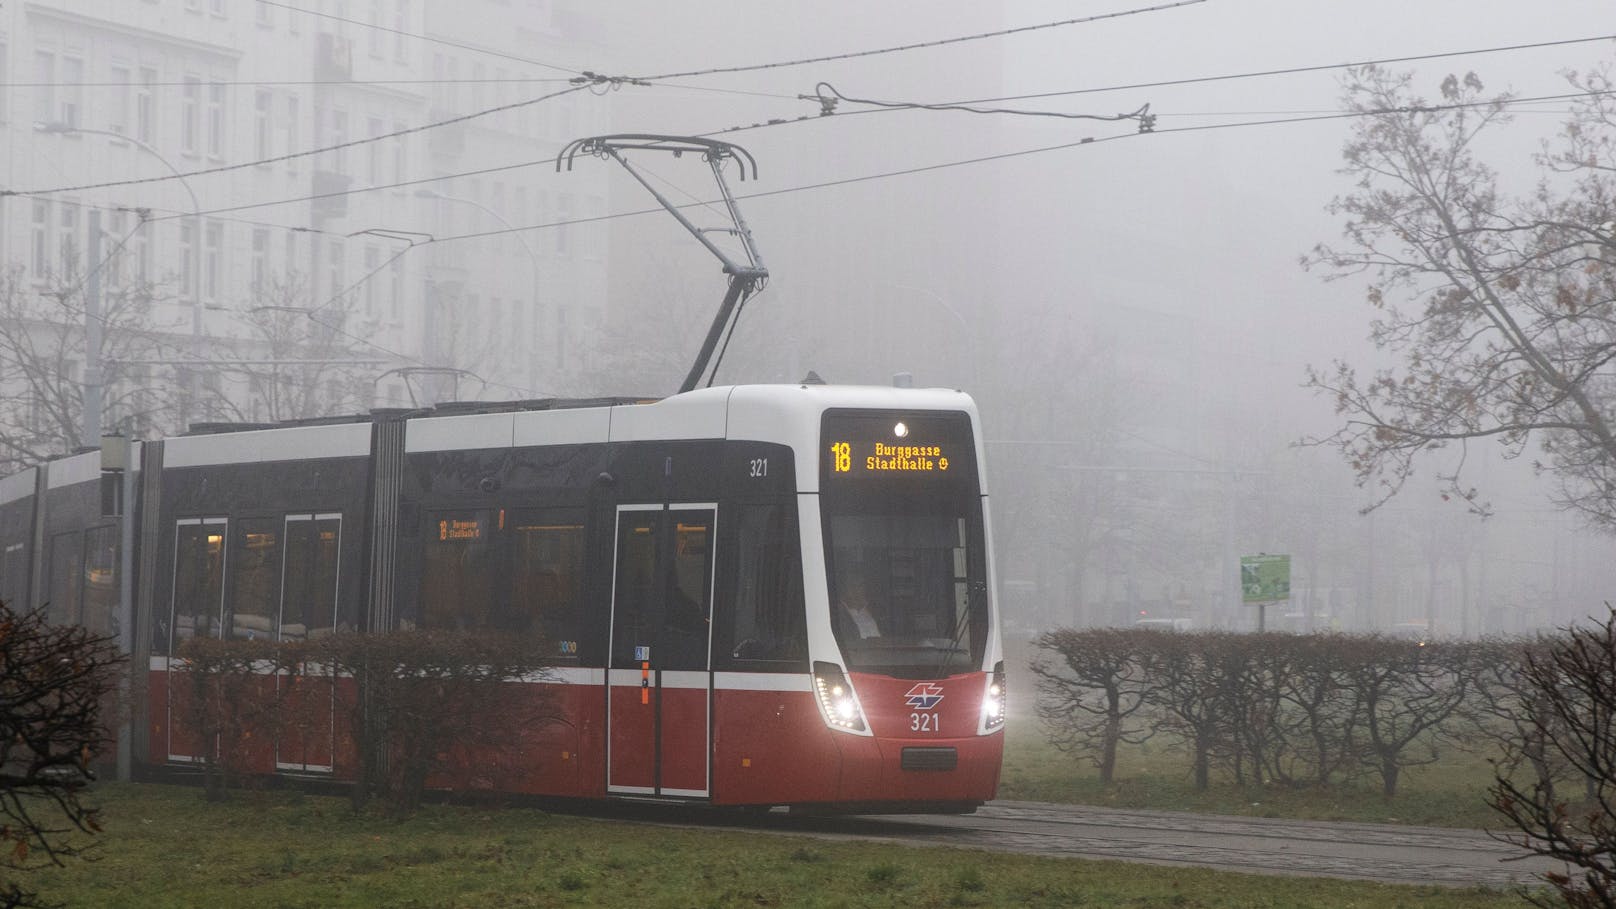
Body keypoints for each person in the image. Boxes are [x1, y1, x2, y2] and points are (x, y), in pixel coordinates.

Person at [838, 573, 881, 639]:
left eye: (860, 586)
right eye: (852, 586)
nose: (856, 590)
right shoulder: (839, 614)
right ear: (845, 589)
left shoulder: (876, 611)